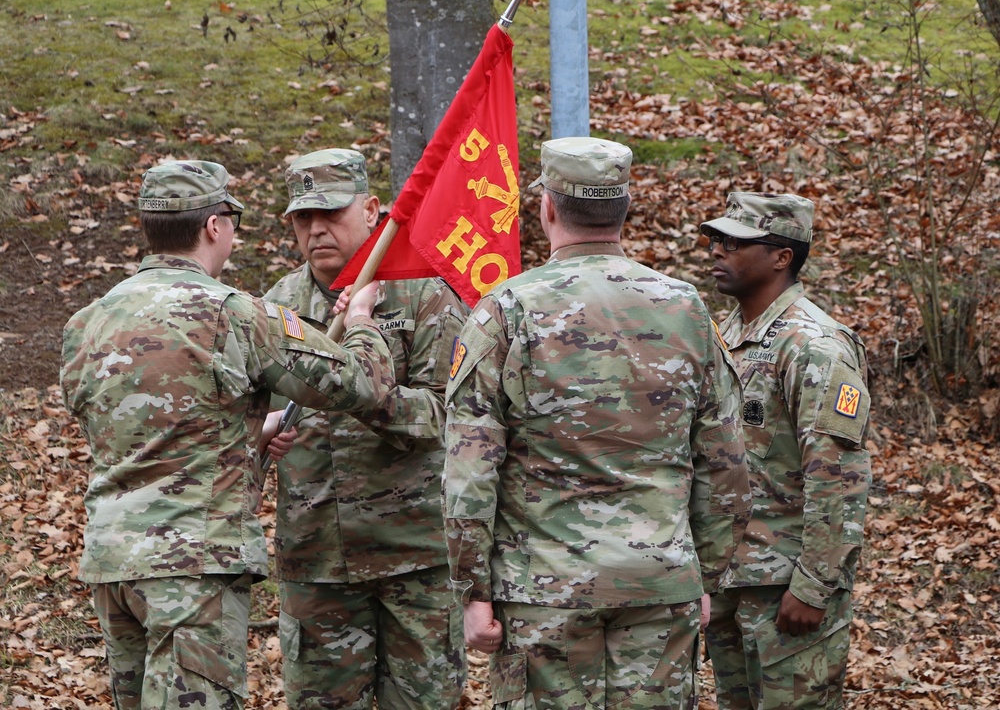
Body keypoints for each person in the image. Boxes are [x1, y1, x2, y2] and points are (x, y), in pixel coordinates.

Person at [60, 160, 396, 710]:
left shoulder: (88, 322)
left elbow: (133, 429)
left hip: (112, 564)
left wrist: (249, 432)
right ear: (215, 226)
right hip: (194, 569)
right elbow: (361, 383)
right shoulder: (233, 313)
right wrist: (360, 318)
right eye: (233, 222)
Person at [443, 136, 751, 709]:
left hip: (543, 590)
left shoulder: (507, 309)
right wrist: (704, 573)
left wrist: (472, 591)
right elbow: (727, 462)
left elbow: (470, 471)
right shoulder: (685, 308)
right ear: (625, 209)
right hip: (659, 580)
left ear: (547, 208)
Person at [262, 148, 469, 709]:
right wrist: (266, 428)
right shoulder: (277, 305)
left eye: (331, 213)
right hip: (317, 556)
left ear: (373, 209)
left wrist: (361, 393)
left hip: (414, 555)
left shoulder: (424, 291)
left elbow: (448, 416)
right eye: (303, 218)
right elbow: (248, 408)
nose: (316, 229)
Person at [700, 192, 872, 709]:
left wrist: (815, 585)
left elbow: (838, 475)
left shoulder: (813, 345)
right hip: (731, 578)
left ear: (782, 257)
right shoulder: (724, 335)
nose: (717, 250)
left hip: (786, 586)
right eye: (716, 239)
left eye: (736, 242)